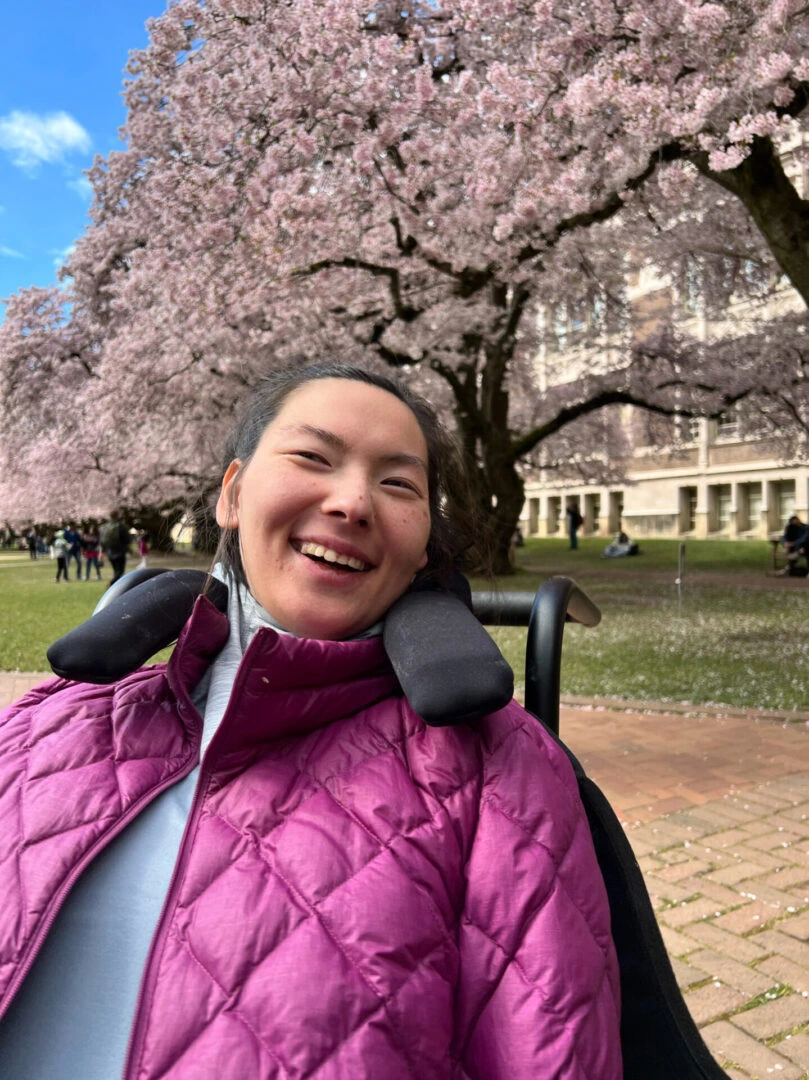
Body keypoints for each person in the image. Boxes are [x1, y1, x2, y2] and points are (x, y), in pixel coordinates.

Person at [0, 364, 622, 1079]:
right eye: (312, 458)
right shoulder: (44, 720)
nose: (353, 501)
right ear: (232, 494)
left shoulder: (495, 768)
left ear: (422, 547)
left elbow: (550, 1051)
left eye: (397, 484)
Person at [99, 509, 131, 587]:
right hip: (119, 551)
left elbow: (102, 541)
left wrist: (101, 552)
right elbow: (127, 539)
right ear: (117, 516)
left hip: (109, 552)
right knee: (120, 571)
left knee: (116, 571)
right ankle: (111, 584)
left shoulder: (105, 527)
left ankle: (115, 586)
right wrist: (127, 548)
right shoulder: (120, 526)